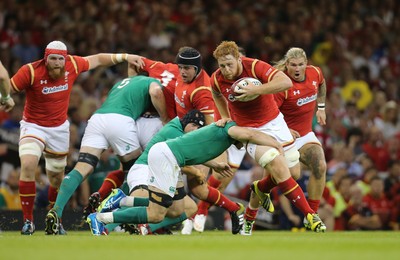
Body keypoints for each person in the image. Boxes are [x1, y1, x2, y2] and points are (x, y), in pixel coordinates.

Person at [10, 40, 144, 235]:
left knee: (56, 179)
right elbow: (9, 89)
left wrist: (125, 57)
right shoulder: (30, 71)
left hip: (59, 130)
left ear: (65, 60)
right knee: (29, 165)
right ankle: (28, 221)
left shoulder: (73, 64)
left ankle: (55, 219)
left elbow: (98, 59)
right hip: (33, 126)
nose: (56, 63)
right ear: (45, 58)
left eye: (60, 59)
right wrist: (4, 98)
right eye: (52, 59)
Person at [87, 119, 308, 236]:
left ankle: (121, 201)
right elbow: (250, 134)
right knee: (156, 214)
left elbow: (195, 151)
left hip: (167, 157)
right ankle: (101, 219)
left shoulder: (218, 133)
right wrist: (278, 143)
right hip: (167, 159)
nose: (247, 145)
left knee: (169, 208)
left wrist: (215, 164)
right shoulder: (231, 129)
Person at [211, 41, 326, 233]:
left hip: (275, 124)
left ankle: (257, 194)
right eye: (222, 65)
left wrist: (255, 90)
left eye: (229, 64)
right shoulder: (217, 79)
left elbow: (285, 82)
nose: (226, 69)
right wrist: (225, 117)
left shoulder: (255, 66)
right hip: (250, 131)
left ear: (239, 59)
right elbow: (216, 94)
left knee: (293, 173)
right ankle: (310, 216)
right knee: (277, 167)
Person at [44, 68, 169, 235]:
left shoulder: (119, 84)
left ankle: (56, 213)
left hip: (97, 119)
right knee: (136, 170)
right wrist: (165, 117)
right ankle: (129, 219)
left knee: (82, 168)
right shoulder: (150, 82)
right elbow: (155, 92)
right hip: (121, 120)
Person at [272, 47, 327, 230]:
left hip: (304, 135)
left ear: (306, 64)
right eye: (293, 65)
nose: (297, 69)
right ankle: (257, 197)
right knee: (290, 176)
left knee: (320, 165)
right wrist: (285, 129)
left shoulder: (315, 73)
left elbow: (322, 84)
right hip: (283, 138)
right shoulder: (281, 85)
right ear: (287, 65)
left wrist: (321, 107)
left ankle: (311, 215)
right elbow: (269, 114)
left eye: (301, 65)